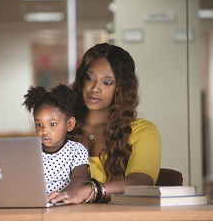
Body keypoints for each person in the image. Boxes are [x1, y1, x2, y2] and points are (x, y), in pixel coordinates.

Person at [48, 43, 161, 204]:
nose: (95, 88)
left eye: (107, 82)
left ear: (122, 88)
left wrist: (91, 191)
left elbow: (141, 181)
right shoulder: (62, 126)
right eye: (90, 78)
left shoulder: (143, 131)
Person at [22, 84, 89, 197]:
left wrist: (61, 195)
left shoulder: (76, 150)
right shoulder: (29, 148)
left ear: (69, 124)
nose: (44, 131)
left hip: (62, 203)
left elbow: (80, 178)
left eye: (52, 124)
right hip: (33, 202)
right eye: (39, 124)